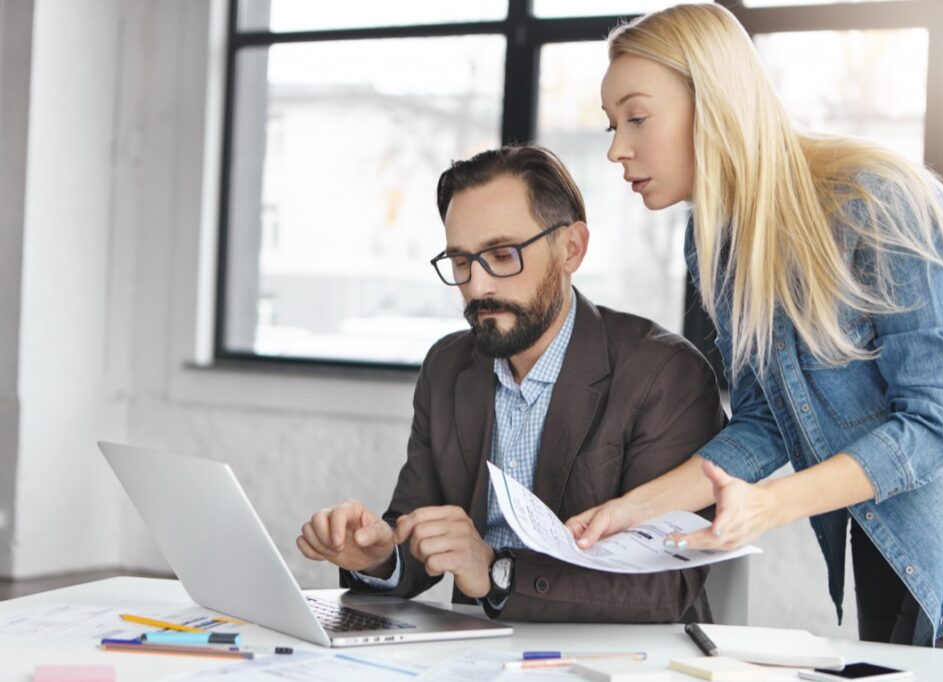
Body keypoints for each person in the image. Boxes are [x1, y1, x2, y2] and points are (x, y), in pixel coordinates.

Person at [566, 3, 943, 676]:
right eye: (612, 125)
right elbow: (764, 423)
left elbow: (933, 424)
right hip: (889, 523)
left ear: (714, 102)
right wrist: (627, 512)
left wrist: (768, 506)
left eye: (637, 117)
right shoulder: (716, 245)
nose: (616, 149)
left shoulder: (875, 203)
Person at [297, 144, 724, 623]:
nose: (478, 287)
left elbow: (662, 588)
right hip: (483, 657)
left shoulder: (664, 374)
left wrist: (498, 572)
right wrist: (376, 556)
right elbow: (420, 533)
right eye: (461, 262)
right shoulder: (447, 366)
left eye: (502, 255)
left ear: (572, 248)